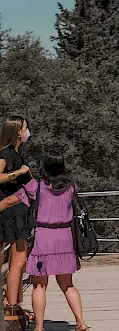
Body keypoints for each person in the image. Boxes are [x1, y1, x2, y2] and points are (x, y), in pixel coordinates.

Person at [0, 154, 89, 331]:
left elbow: (11, 201)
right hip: (65, 238)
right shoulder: (71, 186)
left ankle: (39, 326)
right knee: (68, 285)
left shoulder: (36, 187)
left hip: (43, 237)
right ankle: (80, 322)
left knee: (39, 284)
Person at [0, 115, 34, 323]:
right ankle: (12, 307)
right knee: (18, 262)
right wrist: (19, 172)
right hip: (9, 212)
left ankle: (13, 304)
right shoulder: (7, 153)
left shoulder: (14, 153)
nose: (27, 132)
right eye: (25, 128)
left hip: (16, 211)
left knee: (19, 262)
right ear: (17, 132)